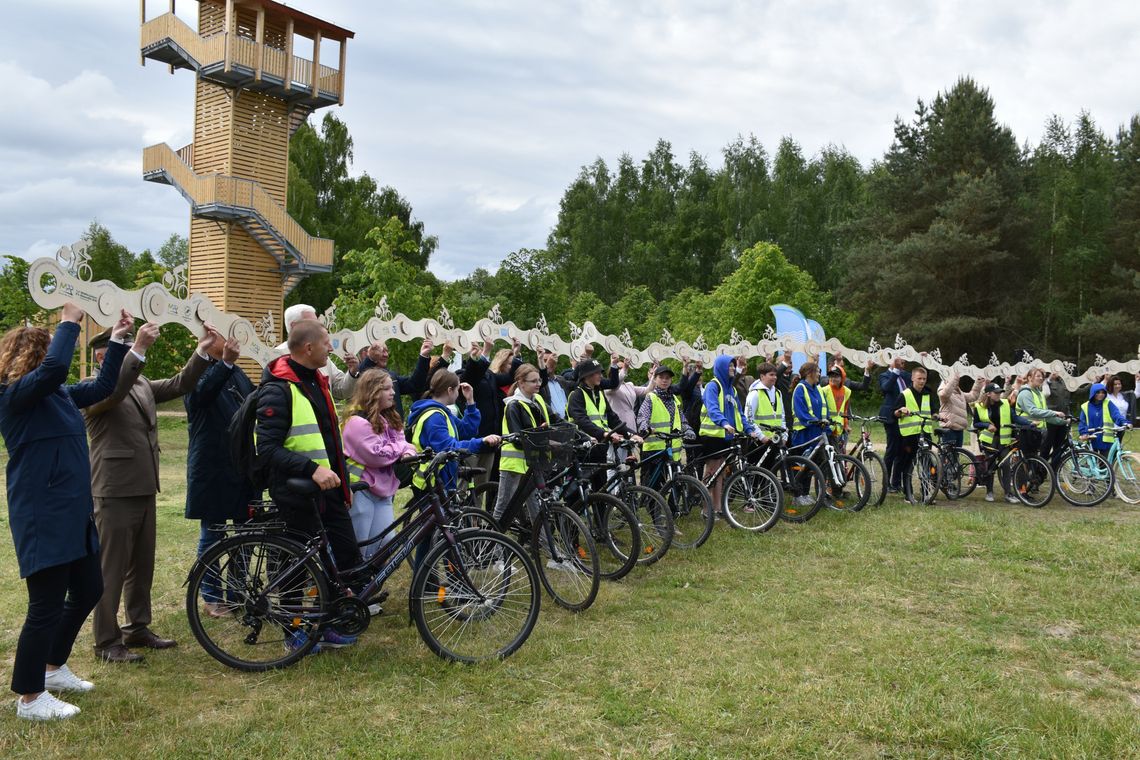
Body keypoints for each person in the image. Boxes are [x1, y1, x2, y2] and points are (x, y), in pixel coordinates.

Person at [1, 304, 131, 720]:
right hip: (42, 514)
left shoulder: (56, 393)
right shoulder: (12, 396)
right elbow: (57, 368)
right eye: (45, 352)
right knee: (45, 604)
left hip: (73, 510)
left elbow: (103, 387)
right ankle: (29, 698)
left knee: (90, 587)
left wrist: (117, 341)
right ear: (33, 356)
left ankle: (53, 669)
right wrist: (69, 322)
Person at [83, 320, 214, 663]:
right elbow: (113, 390)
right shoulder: (92, 388)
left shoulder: (139, 383)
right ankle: (106, 642)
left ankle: (137, 628)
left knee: (141, 566)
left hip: (143, 486)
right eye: (122, 347)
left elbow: (179, 383)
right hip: (113, 490)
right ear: (102, 356)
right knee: (110, 569)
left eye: (129, 346)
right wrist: (138, 349)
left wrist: (202, 349)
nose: (130, 351)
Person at [256, 319, 361, 652]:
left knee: (346, 559)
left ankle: (327, 623)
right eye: (327, 343)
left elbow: (328, 437)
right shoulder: (278, 387)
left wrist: (342, 483)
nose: (331, 348)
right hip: (297, 491)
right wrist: (312, 469)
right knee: (295, 568)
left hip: (327, 490)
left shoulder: (318, 380)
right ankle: (294, 633)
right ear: (308, 348)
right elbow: (267, 448)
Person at [183, 333, 258, 620]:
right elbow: (199, 398)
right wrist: (224, 363)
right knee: (213, 535)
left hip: (241, 466)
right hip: (212, 466)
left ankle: (238, 594)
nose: (231, 339)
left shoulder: (236, 371)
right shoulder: (199, 370)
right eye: (222, 334)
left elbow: (253, 400)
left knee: (247, 533)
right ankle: (212, 597)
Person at [342, 370, 418, 560]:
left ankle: (366, 584)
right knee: (360, 545)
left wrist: (406, 449)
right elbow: (376, 455)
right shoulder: (356, 421)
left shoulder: (389, 418)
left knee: (386, 543)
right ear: (373, 391)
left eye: (392, 387)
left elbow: (406, 444)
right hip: (361, 489)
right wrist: (401, 448)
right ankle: (353, 587)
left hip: (383, 490)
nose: (393, 392)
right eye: (386, 388)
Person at [493, 363, 562, 523]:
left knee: (537, 508)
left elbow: (555, 419)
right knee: (503, 508)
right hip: (514, 466)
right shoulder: (513, 406)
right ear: (521, 382)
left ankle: (544, 545)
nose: (538, 384)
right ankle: (492, 545)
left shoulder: (537, 399)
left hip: (532, 463)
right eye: (533, 381)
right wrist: (544, 436)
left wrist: (579, 433)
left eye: (539, 380)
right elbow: (519, 438)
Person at [567, 359, 639, 493]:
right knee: (577, 491)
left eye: (600, 372)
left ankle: (602, 511)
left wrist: (631, 433)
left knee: (600, 488)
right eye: (596, 373)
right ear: (586, 376)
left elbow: (612, 419)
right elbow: (581, 421)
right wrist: (604, 433)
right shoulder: (576, 395)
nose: (600, 375)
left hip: (600, 444)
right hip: (584, 447)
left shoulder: (599, 392)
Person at [697, 355, 756, 513]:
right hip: (712, 436)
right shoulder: (713, 386)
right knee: (711, 473)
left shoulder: (732, 389)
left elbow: (739, 413)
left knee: (720, 474)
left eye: (733, 366)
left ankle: (718, 507)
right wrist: (724, 423)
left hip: (726, 436)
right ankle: (706, 509)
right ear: (721, 368)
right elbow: (712, 408)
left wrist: (749, 429)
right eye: (729, 366)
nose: (732, 368)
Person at [276, 304, 368, 400]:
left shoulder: (320, 356)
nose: (317, 327)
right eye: (312, 323)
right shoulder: (277, 357)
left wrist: (353, 372)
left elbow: (340, 390)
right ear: (294, 326)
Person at [461, 339, 521, 485]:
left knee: (482, 484)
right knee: (464, 485)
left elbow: (509, 377)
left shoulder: (490, 375)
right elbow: (472, 374)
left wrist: (517, 354)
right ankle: (463, 508)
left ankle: (477, 509)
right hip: (474, 438)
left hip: (490, 438)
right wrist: (485, 352)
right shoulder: (465, 375)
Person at [636, 365, 694, 490]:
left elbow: (682, 418)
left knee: (678, 480)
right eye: (661, 377)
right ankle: (653, 507)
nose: (664, 380)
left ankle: (674, 509)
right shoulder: (651, 397)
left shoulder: (674, 399)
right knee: (656, 483)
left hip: (673, 448)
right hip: (654, 448)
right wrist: (645, 427)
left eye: (667, 378)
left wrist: (688, 429)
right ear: (655, 379)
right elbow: (642, 416)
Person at [973, 382, 1033, 503]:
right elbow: (976, 423)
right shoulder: (979, 406)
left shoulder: (1005, 404)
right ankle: (989, 492)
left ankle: (1008, 494)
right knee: (990, 465)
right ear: (989, 394)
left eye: (1000, 392)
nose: (999, 395)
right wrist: (987, 425)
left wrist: (1029, 423)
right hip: (989, 440)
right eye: (996, 393)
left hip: (1003, 440)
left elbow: (1015, 417)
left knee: (1005, 466)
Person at [363, 338, 433, 417]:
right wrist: (370, 360)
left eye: (386, 351)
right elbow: (361, 377)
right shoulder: (361, 377)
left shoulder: (392, 376)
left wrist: (423, 356)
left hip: (395, 427)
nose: (386, 355)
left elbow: (415, 384)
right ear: (367, 354)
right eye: (381, 351)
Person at [895, 366, 935, 502]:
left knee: (926, 465)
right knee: (908, 464)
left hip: (925, 433)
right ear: (912, 378)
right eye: (919, 378)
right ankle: (908, 494)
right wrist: (901, 410)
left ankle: (926, 494)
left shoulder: (928, 394)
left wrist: (937, 416)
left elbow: (934, 410)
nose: (922, 381)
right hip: (909, 435)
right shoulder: (905, 394)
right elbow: (894, 413)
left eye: (924, 379)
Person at [1015, 368, 1067, 469]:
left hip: (1037, 431)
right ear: (1030, 378)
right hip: (1026, 431)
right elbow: (1033, 411)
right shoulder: (1025, 393)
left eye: (1042, 376)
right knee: (1028, 461)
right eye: (1038, 376)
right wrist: (1054, 412)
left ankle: (1034, 481)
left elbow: (1045, 415)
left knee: (1034, 461)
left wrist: (1062, 422)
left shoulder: (1039, 393)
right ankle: (1022, 483)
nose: (1041, 378)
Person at [879, 357, 912, 492]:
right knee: (892, 450)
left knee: (902, 451)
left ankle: (896, 483)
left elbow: (917, 378)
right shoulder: (884, 375)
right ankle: (886, 484)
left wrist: (922, 361)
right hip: (891, 417)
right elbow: (886, 388)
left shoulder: (905, 375)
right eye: (899, 362)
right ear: (890, 362)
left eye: (903, 362)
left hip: (905, 417)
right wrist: (895, 371)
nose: (901, 365)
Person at [1078, 382, 1130, 456]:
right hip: (1091, 438)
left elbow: (1116, 415)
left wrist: (1124, 422)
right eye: (1098, 392)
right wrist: (1083, 432)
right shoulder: (1085, 406)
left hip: (1106, 440)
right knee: (1091, 464)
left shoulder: (1108, 403)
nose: (1101, 394)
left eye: (1103, 392)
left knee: (1106, 464)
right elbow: (1082, 422)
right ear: (1093, 393)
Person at [937, 371, 985, 448]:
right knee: (949, 456)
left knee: (957, 455)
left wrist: (978, 383)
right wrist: (954, 378)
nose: (958, 380)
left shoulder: (959, 392)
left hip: (959, 429)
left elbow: (972, 396)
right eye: (955, 379)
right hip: (949, 429)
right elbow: (944, 394)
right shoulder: (943, 389)